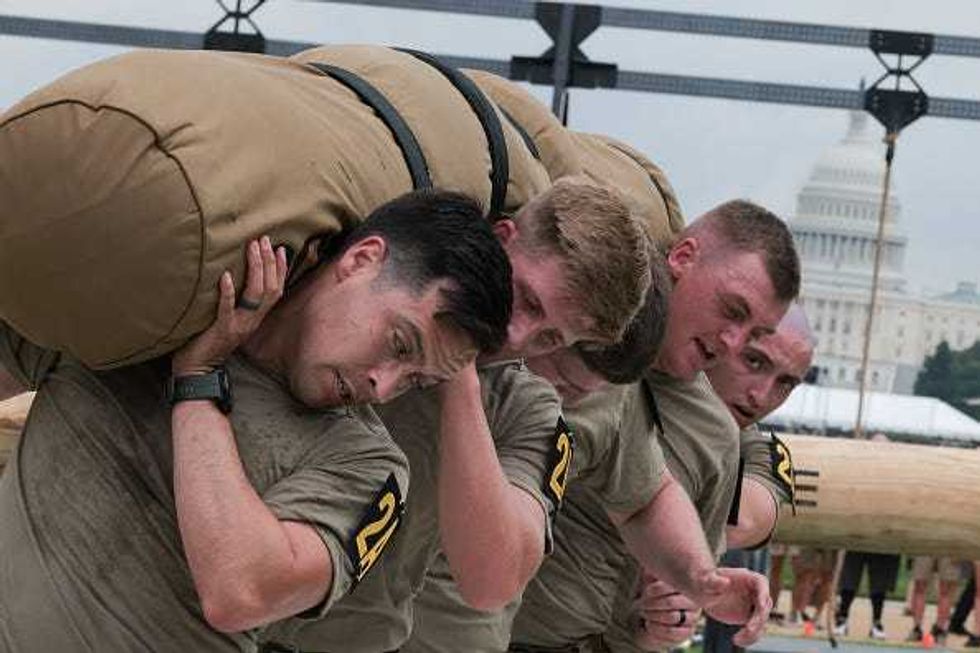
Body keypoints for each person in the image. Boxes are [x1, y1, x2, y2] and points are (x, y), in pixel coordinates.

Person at [0, 190, 516, 652]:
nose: (384, 384)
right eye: (400, 344)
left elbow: (242, 591)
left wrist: (198, 378)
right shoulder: (156, 316)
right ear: (362, 260)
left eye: (415, 381)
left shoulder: (368, 467)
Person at [259, 179, 654, 653]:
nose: (515, 334)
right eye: (525, 298)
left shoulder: (528, 411)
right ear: (502, 237)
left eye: (549, 338)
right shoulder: (388, 282)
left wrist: (460, 378)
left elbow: (492, 580)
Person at [401, 199, 802, 653]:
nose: (731, 343)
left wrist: (694, 588)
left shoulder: (708, 430)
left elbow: (650, 502)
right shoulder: (540, 346)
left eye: (753, 335)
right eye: (732, 311)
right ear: (683, 258)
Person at [908, 556, 963, 645]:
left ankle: (940, 630)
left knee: (946, 589)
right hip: (925, 545)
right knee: (919, 586)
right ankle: (916, 628)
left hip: (949, 547)